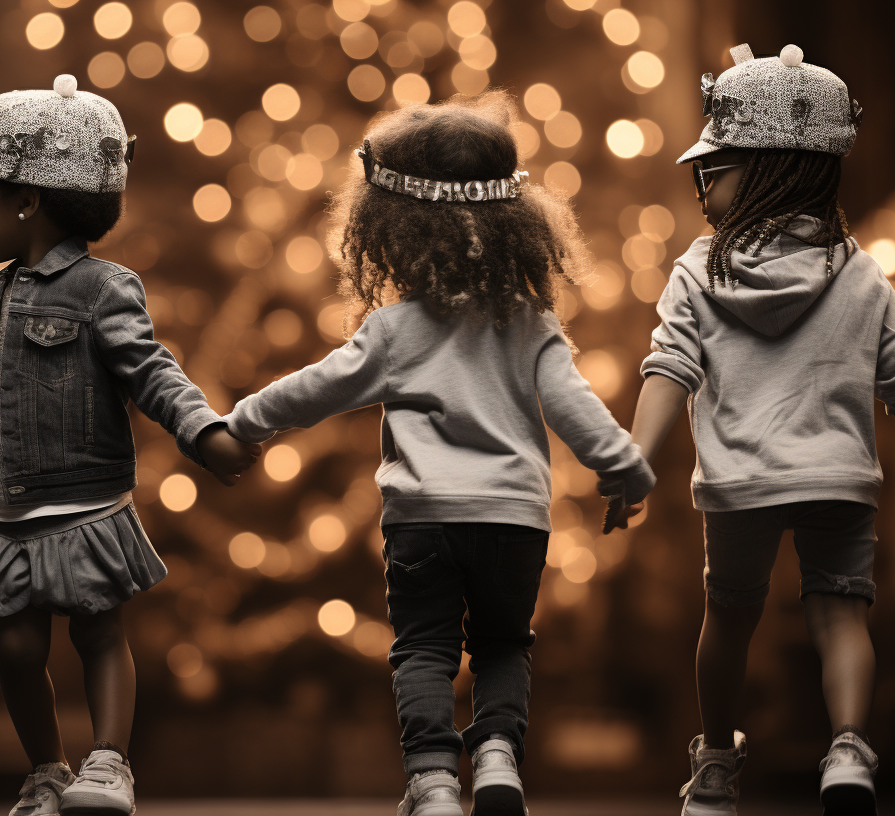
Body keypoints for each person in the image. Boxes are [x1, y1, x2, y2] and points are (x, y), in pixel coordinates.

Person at [222, 92, 655, 816]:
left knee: (422, 647)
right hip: (514, 519)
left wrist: (243, 424)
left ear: (390, 230)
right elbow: (575, 407)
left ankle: (431, 781)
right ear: (516, 224)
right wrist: (624, 467)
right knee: (503, 646)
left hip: (420, 519)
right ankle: (496, 759)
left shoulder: (394, 330)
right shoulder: (531, 323)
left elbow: (314, 388)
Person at [0, 74, 258, 816]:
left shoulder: (104, 290)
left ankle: (109, 763)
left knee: (99, 630)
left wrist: (204, 432)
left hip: (83, 500)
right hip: (7, 509)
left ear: (26, 200)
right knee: (13, 648)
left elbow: (152, 371)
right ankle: (46, 770)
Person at [616, 43, 895, 816]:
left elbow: (669, 370)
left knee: (728, 619)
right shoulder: (863, 274)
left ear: (767, 169)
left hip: (737, 485)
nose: (701, 183)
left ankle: (717, 768)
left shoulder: (701, 271)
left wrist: (635, 461)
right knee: (841, 613)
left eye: (716, 166)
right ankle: (850, 752)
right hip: (839, 479)